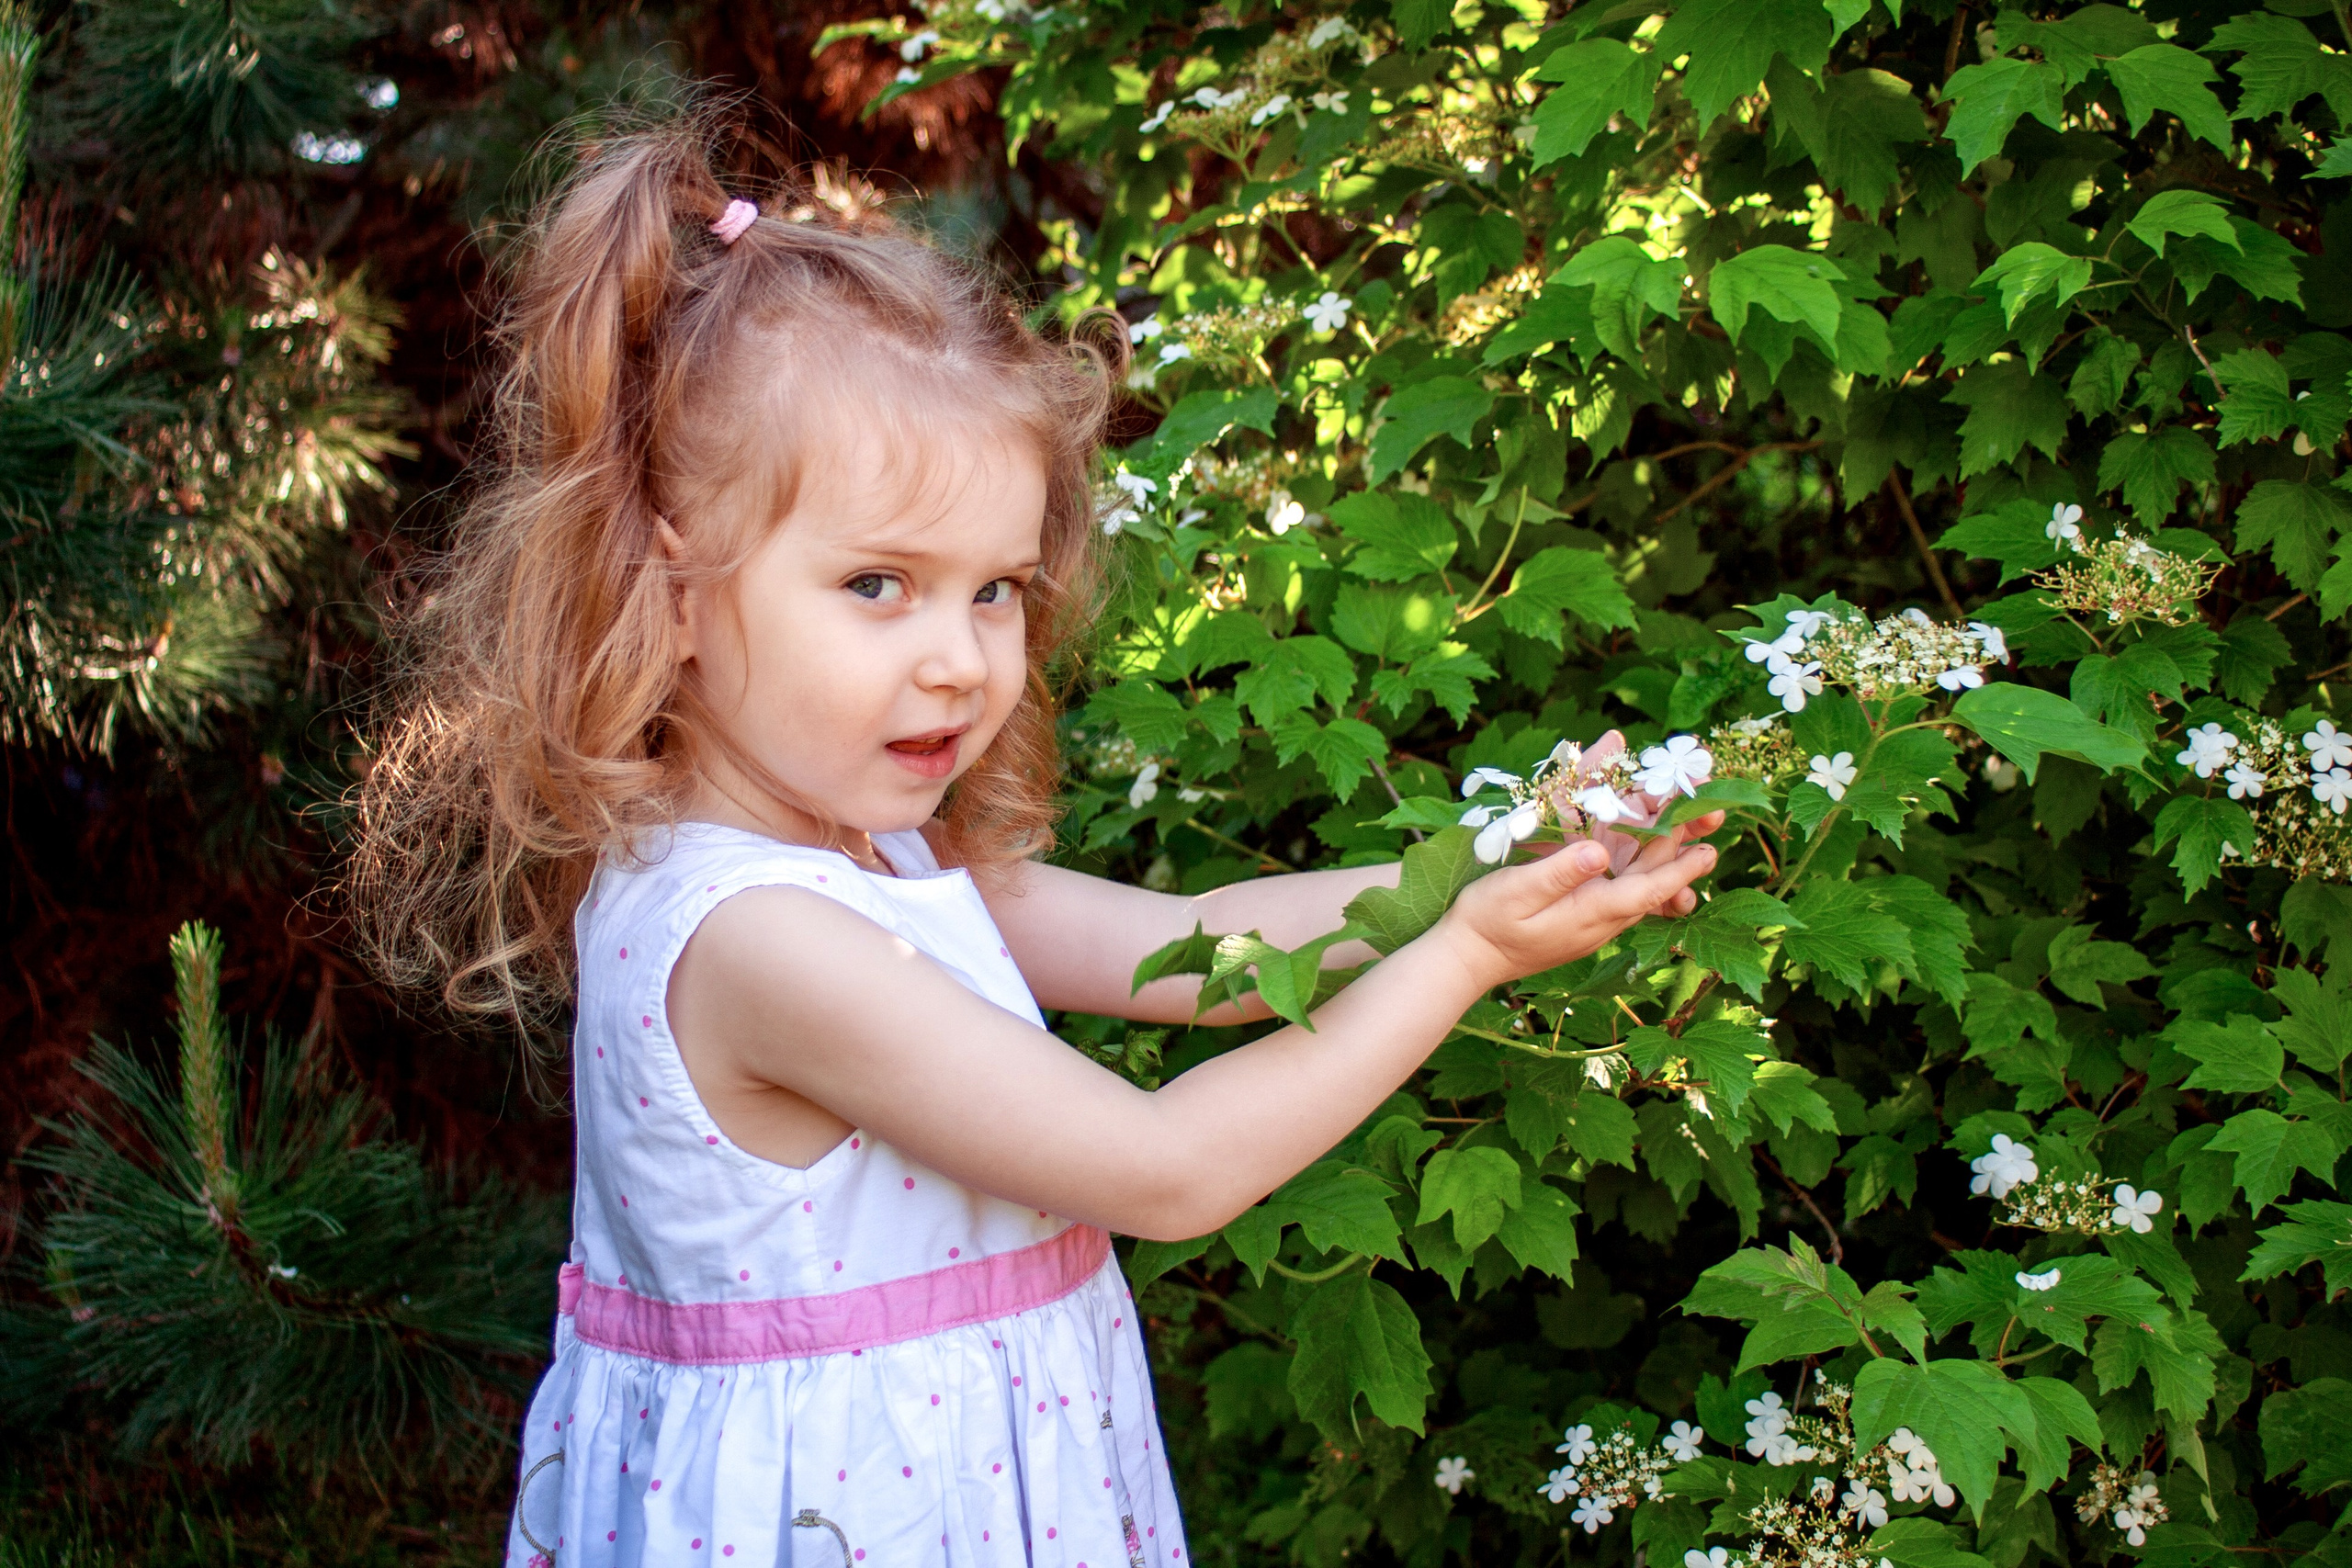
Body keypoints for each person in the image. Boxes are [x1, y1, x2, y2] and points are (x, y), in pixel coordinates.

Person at [348, 115, 1721, 1568]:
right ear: (672, 595)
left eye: (996, 589)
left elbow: (1228, 959)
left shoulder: (886, 864)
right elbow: (1169, 1169)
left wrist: (1503, 857)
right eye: (879, 584)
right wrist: (1463, 960)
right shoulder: (762, 940)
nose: (959, 659)